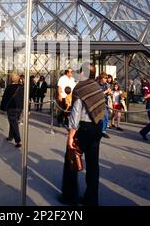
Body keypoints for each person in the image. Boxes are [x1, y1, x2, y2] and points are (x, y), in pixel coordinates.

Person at [60, 63, 106, 206]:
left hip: (83, 128)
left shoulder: (80, 89)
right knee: (93, 165)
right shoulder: (97, 87)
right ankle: (91, 199)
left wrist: (70, 137)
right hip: (96, 128)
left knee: (71, 160)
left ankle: (69, 196)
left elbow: (75, 115)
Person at [0, 73, 24, 148]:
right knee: (13, 122)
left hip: (11, 108)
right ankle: (10, 137)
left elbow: (5, 98)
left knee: (14, 123)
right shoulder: (22, 87)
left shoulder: (9, 87)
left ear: (11, 79)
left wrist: (3, 108)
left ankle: (18, 141)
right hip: (19, 108)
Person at [97, 72, 111, 139]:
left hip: (105, 102)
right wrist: (106, 91)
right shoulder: (97, 85)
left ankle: (103, 130)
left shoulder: (106, 85)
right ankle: (100, 130)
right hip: (99, 103)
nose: (106, 79)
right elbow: (99, 94)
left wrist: (109, 92)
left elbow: (109, 94)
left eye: (106, 78)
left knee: (106, 117)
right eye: (105, 78)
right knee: (101, 117)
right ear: (101, 78)